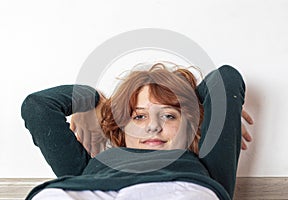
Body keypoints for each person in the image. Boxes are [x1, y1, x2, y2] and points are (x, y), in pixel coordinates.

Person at [21, 63, 253, 200]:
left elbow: (225, 79)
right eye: (139, 116)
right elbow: (38, 107)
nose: (153, 126)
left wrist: (209, 111)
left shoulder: (209, 165)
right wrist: (94, 103)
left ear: (190, 127)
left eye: (169, 115)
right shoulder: (84, 171)